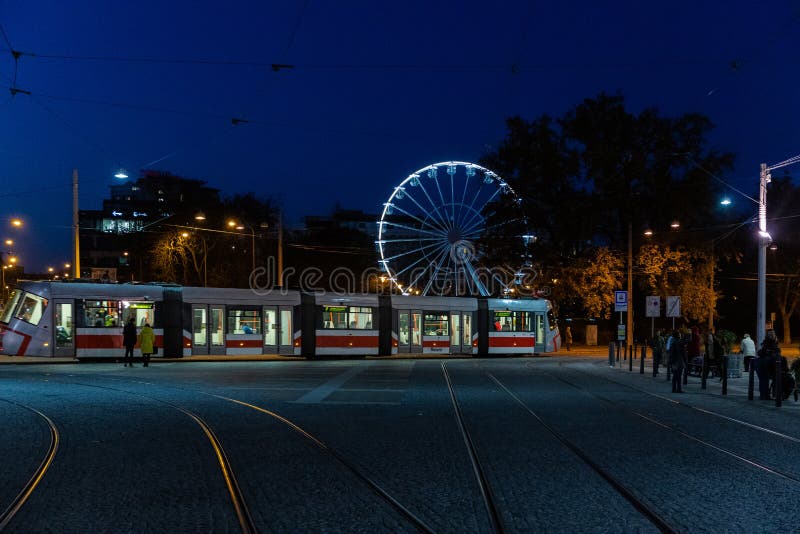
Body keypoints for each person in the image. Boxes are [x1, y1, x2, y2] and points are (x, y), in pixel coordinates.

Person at [755, 330, 780, 400]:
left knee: (763, 380)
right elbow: (775, 352)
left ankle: (764, 395)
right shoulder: (770, 342)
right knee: (764, 379)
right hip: (764, 364)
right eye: (771, 334)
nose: (772, 335)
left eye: (773, 334)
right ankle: (765, 395)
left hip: (762, 363)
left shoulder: (768, 342)